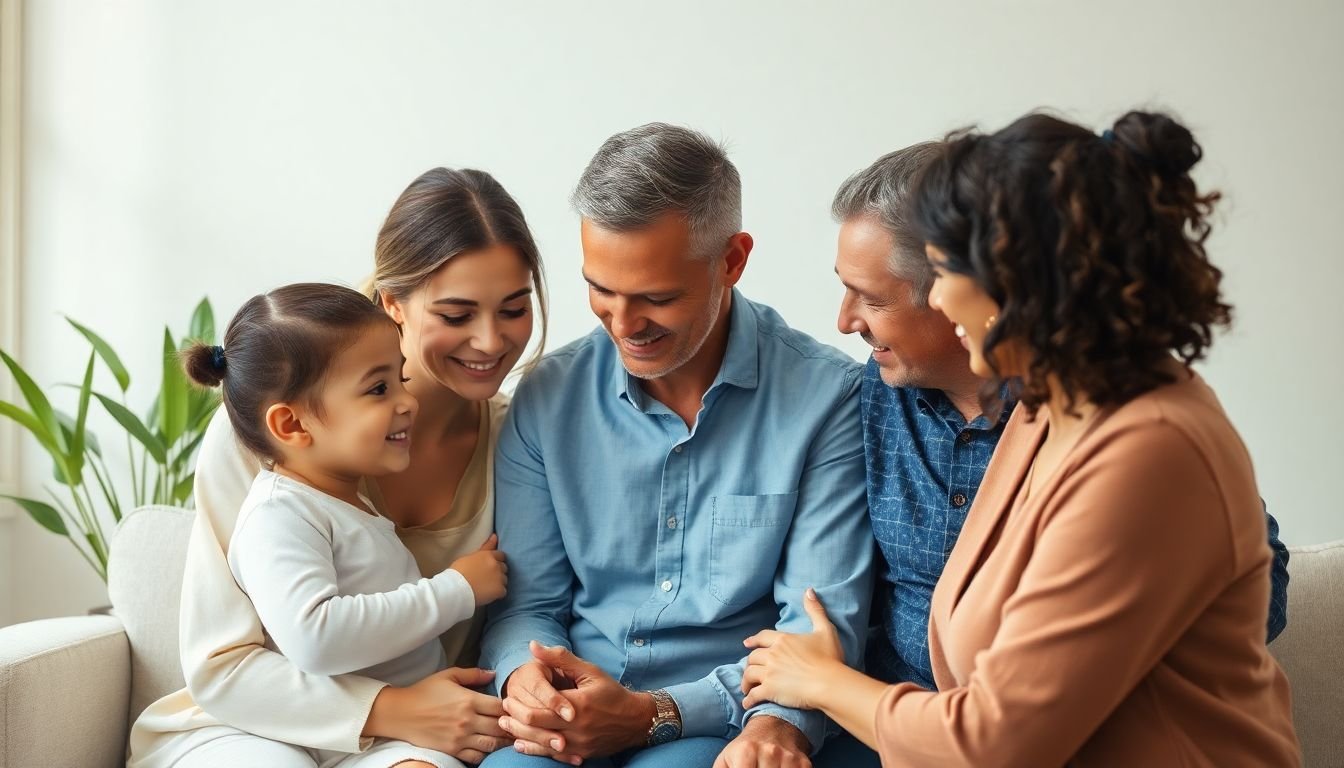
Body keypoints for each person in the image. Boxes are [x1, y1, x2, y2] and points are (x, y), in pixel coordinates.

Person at [740, 110, 1300, 766]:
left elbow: (993, 742)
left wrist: (824, 682)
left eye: (947, 274)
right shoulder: (1042, 407)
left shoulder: (1152, 449)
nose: (943, 302)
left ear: (1015, 287)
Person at [477, 123, 874, 768]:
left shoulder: (827, 398)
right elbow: (529, 605)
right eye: (601, 291)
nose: (624, 326)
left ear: (732, 261)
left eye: (656, 299)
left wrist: (660, 716)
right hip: (573, 705)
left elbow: (819, 626)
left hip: (718, 716)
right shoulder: (548, 397)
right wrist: (525, 682)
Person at [129, 168, 548, 768]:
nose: (489, 341)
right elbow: (224, 668)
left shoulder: (519, 439)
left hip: (411, 743)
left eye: (513, 308)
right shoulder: (259, 440)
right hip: (249, 726)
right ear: (392, 303)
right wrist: (391, 707)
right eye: (456, 315)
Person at [174, 282, 509, 767]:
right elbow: (317, 638)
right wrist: (455, 590)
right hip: (291, 729)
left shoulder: (346, 502)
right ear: (291, 426)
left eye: (401, 379)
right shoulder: (278, 514)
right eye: (378, 389)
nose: (406, 401)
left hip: (391, 738)